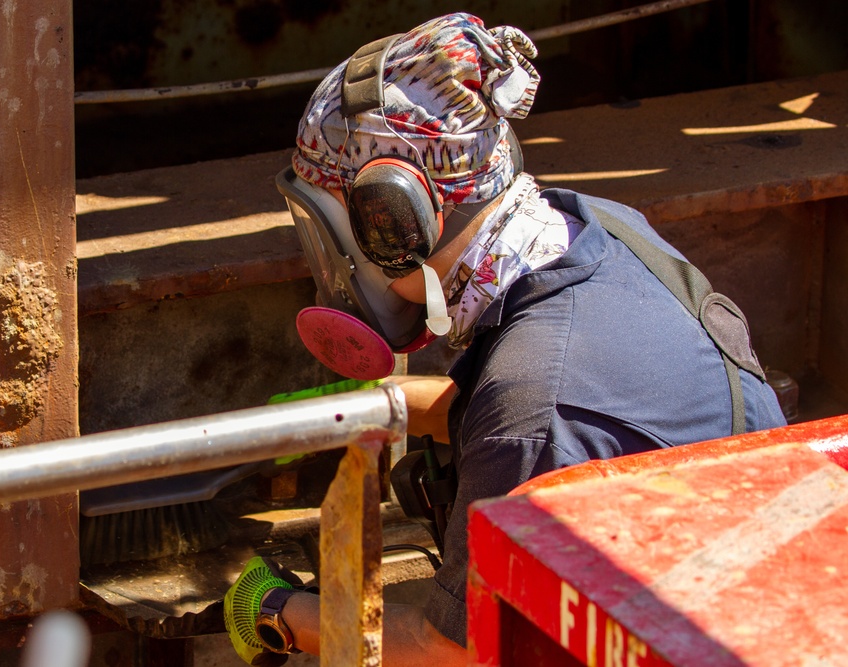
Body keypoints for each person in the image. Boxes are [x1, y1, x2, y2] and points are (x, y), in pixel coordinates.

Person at [224, 12, 787, 666]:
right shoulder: (600, 227)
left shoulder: (532, 410)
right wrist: (367, 408)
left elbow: (452, 650)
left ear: (396, 221)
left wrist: (275, 612)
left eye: (341, 232)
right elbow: (532, 411)